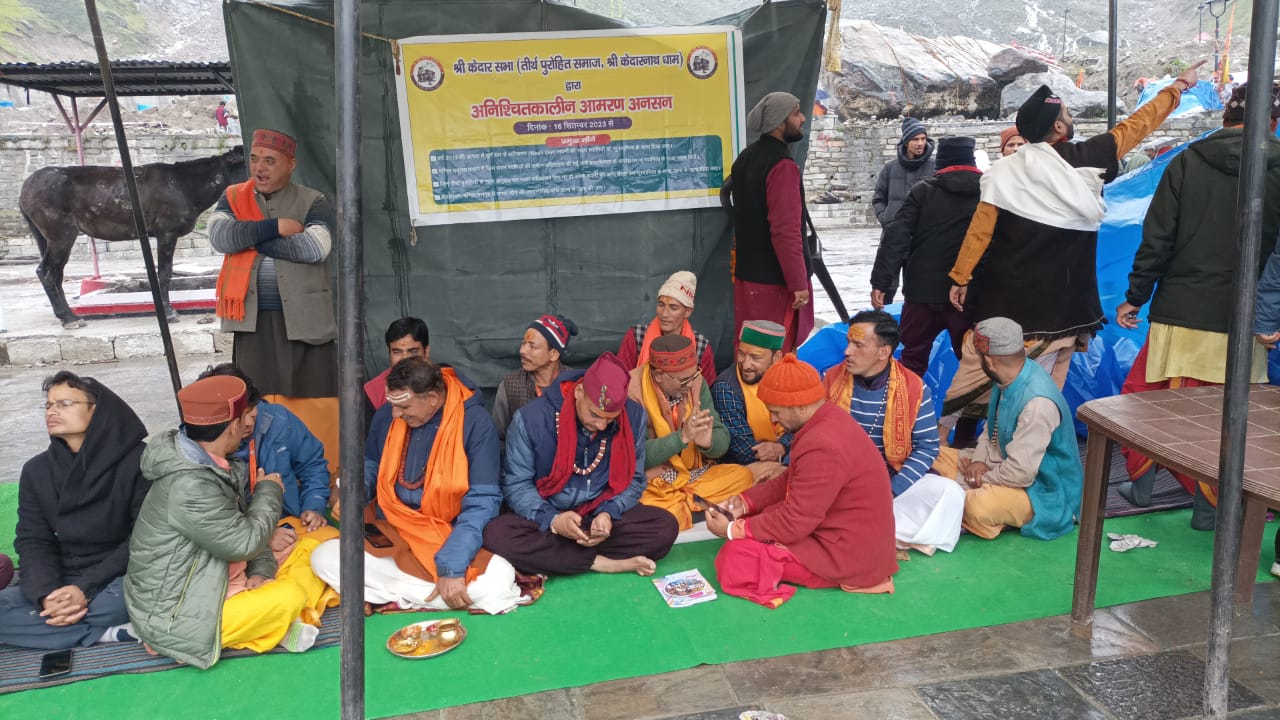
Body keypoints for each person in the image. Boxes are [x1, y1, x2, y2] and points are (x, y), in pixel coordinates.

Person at [943, 61, 1205, 444]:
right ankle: (1030, 454)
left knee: (979, 368)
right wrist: (1178, 87)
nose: (1071, 117)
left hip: (1007, 300)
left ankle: (952, 442)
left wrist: (960, 277)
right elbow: (1139, 124)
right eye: (1067, 113)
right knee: (1045, 385)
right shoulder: (1089, 157)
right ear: (1060, 128)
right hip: (1066, 304)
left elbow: (979, 231)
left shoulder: (1005, 171)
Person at [1114, 83, 1280, 527]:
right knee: (1226, 414)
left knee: (1154, 401)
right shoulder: (1278, 167)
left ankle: (1146, 482)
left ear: (1224, 118)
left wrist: (1135, 296)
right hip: (1245, 315)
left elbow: (1158, 237)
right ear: (1272, 123)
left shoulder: (1187, 161)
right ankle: (1208, 503)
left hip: (1180, 308)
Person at [126, 376, 334, 669]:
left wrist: (261, 571)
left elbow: (241, 526)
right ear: (234, 425)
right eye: (246, 416)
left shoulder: (212, 463)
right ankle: (275, 625)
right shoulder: (189, 484)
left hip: (220, 575)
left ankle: (271, 624)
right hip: (181, 612)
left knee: (311, 552)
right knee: (290, 596)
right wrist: (269, 490)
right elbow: (243, 542)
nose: (251, 423)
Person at [310, 358, 523, 615]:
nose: (396, 415)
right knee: (324, 557)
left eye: (405, 406)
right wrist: (354, 494)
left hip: (447, 534)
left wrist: (453, 566)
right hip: (393, 531)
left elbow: (483, 500)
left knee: (499, 578)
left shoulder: (476, 423)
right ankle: (427, 596)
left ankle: (388, 595)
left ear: (432, 397)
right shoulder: (390, 415)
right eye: (393, 405)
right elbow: (371, 465)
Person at [704, 354, 898, 608]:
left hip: (847, 554)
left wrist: (732, 530)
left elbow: (794, 522)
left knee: (736, 555)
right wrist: (745, 503)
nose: (773, 420)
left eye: (775, 412)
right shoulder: (827, 418)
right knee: (754, 523)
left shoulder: (823, 443)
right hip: (843, 536)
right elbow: (791, 479)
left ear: (801, 407)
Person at [208, 128, 339, 475]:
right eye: (254, 159)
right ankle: (260, 479)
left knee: (316, 402)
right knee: (255, 405)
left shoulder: (313, 201)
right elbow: (220, 236)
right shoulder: (234, 197)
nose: (259, 167)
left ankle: (325, 479)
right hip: (253, 324)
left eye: (270, 160)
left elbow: (315, 248)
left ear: (291, 165)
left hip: (305, 323)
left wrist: (247, 237)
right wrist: (276, 226)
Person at [483, 353, 679, 576]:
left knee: (665, 527)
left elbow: (633, 479)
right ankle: (598, 562)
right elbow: (516, 485)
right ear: (578, 392)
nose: (602, 426)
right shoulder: (532, 419)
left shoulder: (632, 417)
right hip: (547, 514)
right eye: (595, 414)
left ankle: (561, 557)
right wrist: (554, 521)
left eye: (611, 418)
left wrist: (608, 513)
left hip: (600, 512)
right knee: (497, 535)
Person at [0, 372, 147, 649]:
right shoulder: (37, 470)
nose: (52, 411)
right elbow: (34, 540)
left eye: (65, 403)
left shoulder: (138, 462)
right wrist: (46, 595)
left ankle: (65, 626)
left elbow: (142, 540)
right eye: (48, 405)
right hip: (65, 576)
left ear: (97, 410)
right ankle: (107, 634)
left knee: (117, 604)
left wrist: (86, 589)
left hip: (121, 575)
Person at [823, 312, 965, 553]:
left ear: (883, 352)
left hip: (890, 480)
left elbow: (928, 446)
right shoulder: (832, 378)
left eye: (857, 345)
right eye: (848, 343)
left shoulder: (914, 387)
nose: (847, 351)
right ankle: (875, 528)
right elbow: (811, 434)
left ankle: (863, 527)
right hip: (839, 480)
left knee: (950, 494)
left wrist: (891, 490)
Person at [953, 318, 1083, 541]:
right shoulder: (1010, 375)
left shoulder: (1037, 403)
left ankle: (989, 511)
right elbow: (991, 427)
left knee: (975, 505)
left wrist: (981, 479)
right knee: (936, 459)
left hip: (1043, 488)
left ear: (990, 362)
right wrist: (979, 460)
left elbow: (1021, 474)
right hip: (1001, 464)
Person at [870, 137, 981, 377]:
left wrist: (881, 281)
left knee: (912, 357)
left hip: (922, 291)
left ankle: (906, 410)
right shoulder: (988, 193)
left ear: (940, 162)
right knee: (972, 361)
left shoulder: (923, 192)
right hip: (967, 293)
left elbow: (895, 237)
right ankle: (967, 414)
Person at [631, 335, 755, 530]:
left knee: (743, 476)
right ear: (659, 375)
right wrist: (681, 438)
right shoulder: (632, 391)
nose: (690, 384)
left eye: (693, 375)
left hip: (693, 475)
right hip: (652, 481)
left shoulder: (696, 383)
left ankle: (682, 504)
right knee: (638, 501)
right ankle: (690, 506)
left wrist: (708, 443)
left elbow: (721, 438)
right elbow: (633, 456)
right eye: (683, 380)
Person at [727, 91, 814, 351]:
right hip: (775, 282)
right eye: (796, 113)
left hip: (748, 275)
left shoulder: (745, 158)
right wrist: (798, 282)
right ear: (779, 122)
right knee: (773, 354)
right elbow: (785, 231)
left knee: (749, 351)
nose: (803, 118)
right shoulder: (782, 166)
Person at [198, 364, 331, 529]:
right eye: (240, 417)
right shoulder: (201, 446)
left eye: (251, 411)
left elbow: (312, 464)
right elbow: (217, 527)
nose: (247, 423)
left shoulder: (279, 420)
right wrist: (265, 539)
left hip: (290, 522)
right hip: (243, 534)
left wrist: (313, 504)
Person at [710, 320, 791, 469]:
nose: (746, 364)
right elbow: (745, 452)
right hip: (748, 467)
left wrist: (782, 447)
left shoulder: (790, 376)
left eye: (756, 357)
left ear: (777, 357)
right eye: (741, 354)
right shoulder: (726, 388)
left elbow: (807, 425)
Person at [616, 271, 717, 384]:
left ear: (687, 312)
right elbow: (619, 382)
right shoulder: (637, 337)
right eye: (661, 305)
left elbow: (706, 393)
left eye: (673, 307)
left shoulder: (701, 347)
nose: (664, 314)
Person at [492, 313, 578, 441]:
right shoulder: (510, 385)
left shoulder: (575, 385)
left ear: (554, 354)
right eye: (523, 343)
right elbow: (497, 438)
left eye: (532, 346)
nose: (523, 351)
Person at [872, 117, 935, 227]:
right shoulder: (890, 168)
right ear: (906, 142)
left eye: (923, 138)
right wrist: (886, 219)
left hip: (925, 234)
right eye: (915, 139)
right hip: (894, 234)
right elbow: (878, 199)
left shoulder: (934, 167)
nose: (920, 143)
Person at [363, 316, 431, 417]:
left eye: (413, 351)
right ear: (389, 353)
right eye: (397, 352)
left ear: (426, 352)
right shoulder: (373, 392)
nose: (405, 359)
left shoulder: (445, 384)